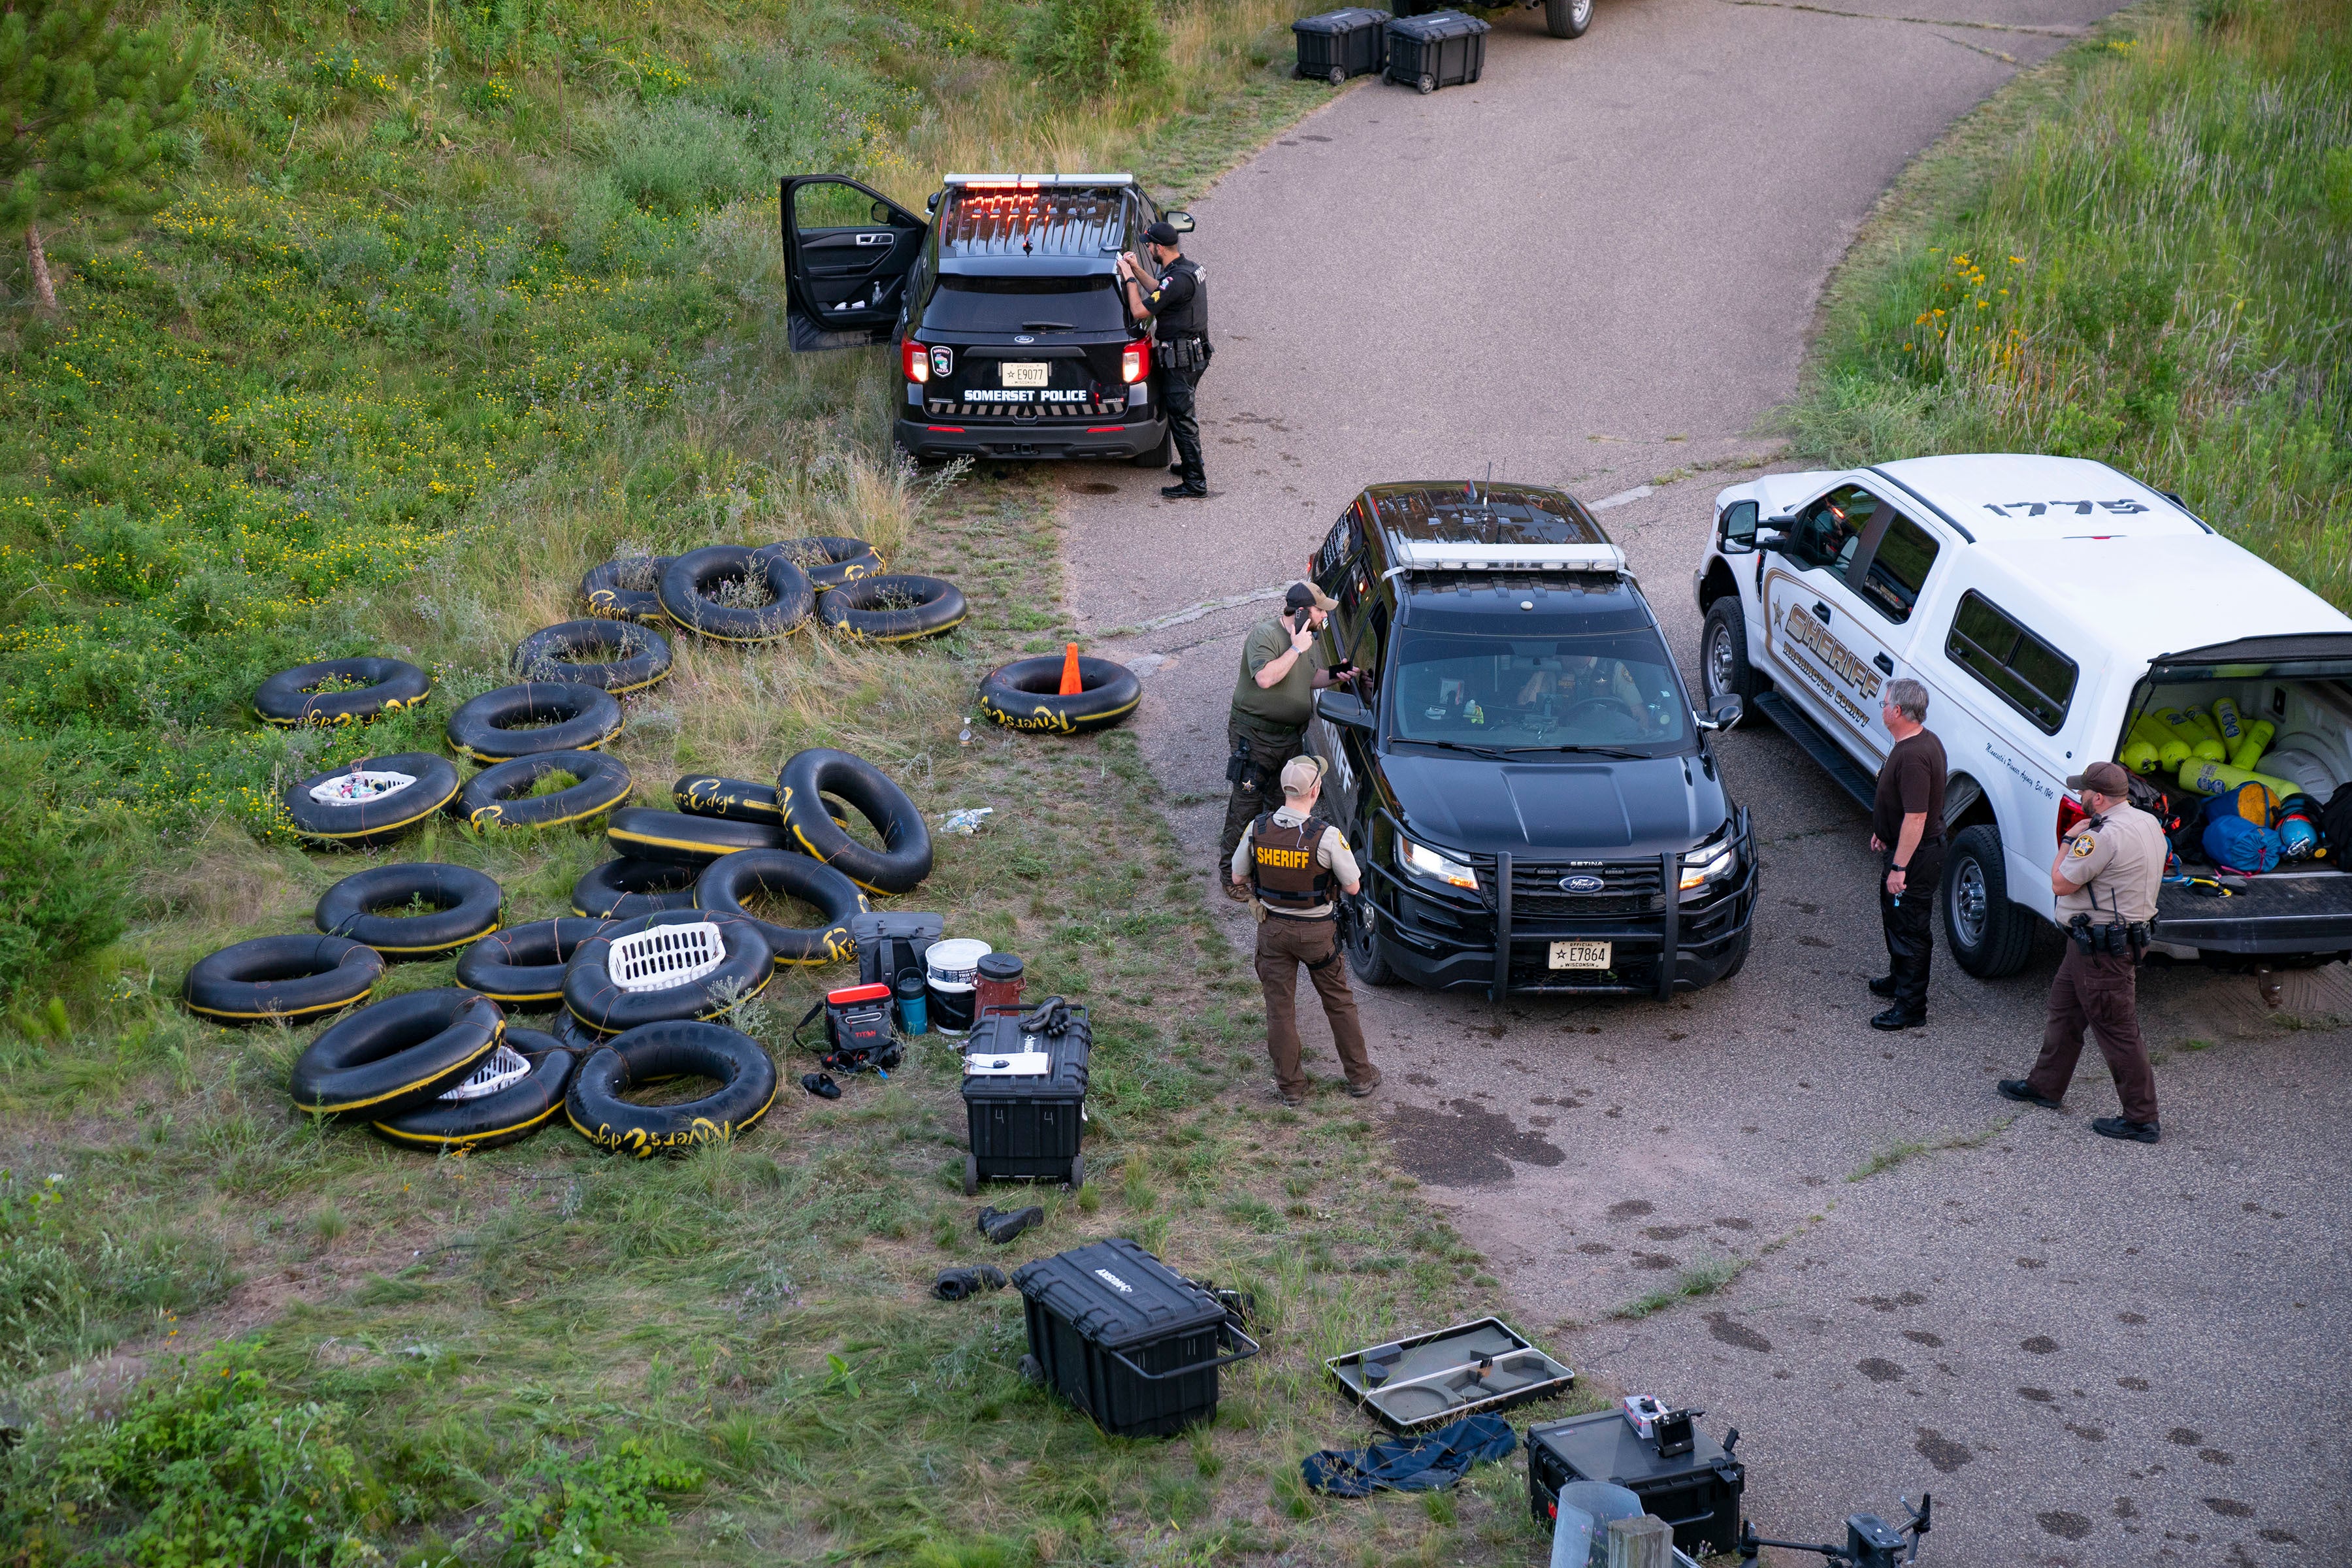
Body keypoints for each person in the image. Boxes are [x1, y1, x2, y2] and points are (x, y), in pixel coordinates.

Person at [2000, 760, 2168, 1143]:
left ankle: (2142, 1118)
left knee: (2118, 1031)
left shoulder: (2102, 836)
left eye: (2083, 793)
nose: (2080, 798)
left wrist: (2068, 841)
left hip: (2103, 949)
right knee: (2064, 1010)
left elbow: (2060, 882)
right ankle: (2044, 1086)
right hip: (2094, 944)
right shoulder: (2146, 822)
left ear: (2097, 798)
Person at [1231, 755, 1380, 1106]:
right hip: (1317, 934)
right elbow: (1354, 887)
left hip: (1273, 931)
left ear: (1286, 789)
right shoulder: (1326, 837)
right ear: (1315, 791)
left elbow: (1237, 877)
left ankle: (1291, 1087)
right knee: (1339, 1002)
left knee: (1279, 1009)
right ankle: (1359, 1076)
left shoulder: (1258, 828)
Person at [1220, 580, 1355, 900]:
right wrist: (1296, 648)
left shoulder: (1307, 640)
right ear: (1300, 612)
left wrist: (1338, 674)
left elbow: (1308, 678)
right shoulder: (1266, 636)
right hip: (1254, 737)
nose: (1324, 615)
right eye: (1319, 610)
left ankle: (1266, 871)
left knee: (1281, 806)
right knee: (1246, 805)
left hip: (1290, 739)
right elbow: (1266, 678)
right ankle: (1231, 877)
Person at [1868, 679, 1946, 1032]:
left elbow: (1917, 817)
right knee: (1897, 921)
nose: (1881, 707)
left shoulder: (1914, 756)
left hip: (1915, 859)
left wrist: (1899, 866)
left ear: (1897, 711)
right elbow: (1903, 806)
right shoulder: (1917, 741)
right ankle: (1899, 980)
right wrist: (1884, 831)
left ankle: (1911, 1006)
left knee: (1910, 929)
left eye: (1885, 703)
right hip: (1907, 849)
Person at [1115, 221, 1211, 499]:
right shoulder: (1185, 269)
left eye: (1149, 244)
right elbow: (1160, 289)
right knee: (1183, 413)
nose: (1147, 247)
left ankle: (1195, 482)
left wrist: (1128, 278)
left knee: (1182, 419)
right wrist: (1137, 269)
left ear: (1159, 247)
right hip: (1195, 353)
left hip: (1181, 359)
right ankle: (1193, 464)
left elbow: (1138, 311)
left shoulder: (1177, 279)